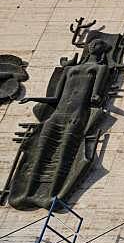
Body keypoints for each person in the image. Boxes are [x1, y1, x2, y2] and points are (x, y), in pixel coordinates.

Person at [9, 38, 118, 210]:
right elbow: (55, 97)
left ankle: (53, 194)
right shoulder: (70, 69)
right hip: (57, 114)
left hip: (77, 115)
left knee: (65, 153)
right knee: (40, 151)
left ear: (103, 49)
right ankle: (27, 192)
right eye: (92, 43)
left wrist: (97, 97)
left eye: (97, 44)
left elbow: (95, 95)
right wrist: (32, 98)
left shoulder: (100, 68)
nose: (92, 45)